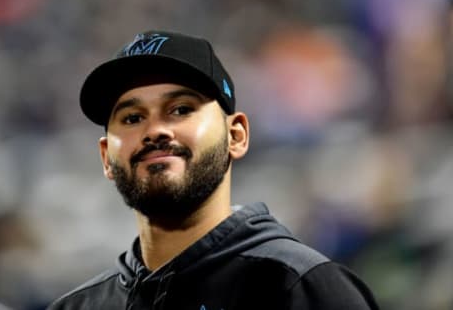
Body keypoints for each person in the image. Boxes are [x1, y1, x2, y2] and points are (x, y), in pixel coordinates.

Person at [47, 30, 379, 309]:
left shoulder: (304, 288)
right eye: (133, 118)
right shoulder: (80, 306)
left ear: (236, 136)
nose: (155, 130)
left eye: (180, 109)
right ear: (106, 156)